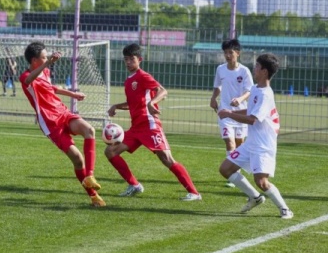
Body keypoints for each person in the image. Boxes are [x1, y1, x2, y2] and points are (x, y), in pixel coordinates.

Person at [105, 43, 201, 201]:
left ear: (140, 59)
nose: (128, 62)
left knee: (166, 158)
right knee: (110, 151)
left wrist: (151, 103)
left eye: (131, 59)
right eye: (126, 59)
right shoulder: (128, 81)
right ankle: (134, 185)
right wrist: (116, 106)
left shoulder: (143, 76)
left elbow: (163, 91)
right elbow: (133, 103)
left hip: (150, 125)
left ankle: (194, 193)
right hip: (136, 128)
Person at [20, 41, 104, 207]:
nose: (47, 59)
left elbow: (52, 88)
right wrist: (48, 62)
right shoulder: (25, 77)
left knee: (89, 130)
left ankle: (90, 175)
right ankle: (93, 197)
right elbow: (30, 79)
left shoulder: (45, 71)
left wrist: (73, 94)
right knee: (78, 160)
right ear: (34, 61)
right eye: (44, 57)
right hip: (51, 123)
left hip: (63, 113)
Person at [218, 53, 294, 219]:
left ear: (264, 72)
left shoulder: (266, 94)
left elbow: (252, 119)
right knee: (225, 169)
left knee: (261, 182)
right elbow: (250, 111)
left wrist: (230, 114)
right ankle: (255, 197)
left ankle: (285, 209)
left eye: (257, 66)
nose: (254, 68)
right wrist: (230, 113)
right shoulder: (255, 89)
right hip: (251, 143)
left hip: (263, 146)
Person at [209, 38, 253, 187]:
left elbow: (249, 91)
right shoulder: (220, 69)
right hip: (225, 113)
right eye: (225, 52)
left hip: (241, 114)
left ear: (238, 53)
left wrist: (240, 99)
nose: (228, 55)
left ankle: (235, 171)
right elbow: (218, 86)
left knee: (240, 144)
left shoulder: (244, 71)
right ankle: (234, 175)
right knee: (230, 141)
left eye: (231, 52)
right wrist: (213, 98)